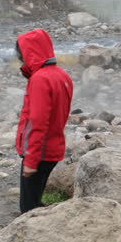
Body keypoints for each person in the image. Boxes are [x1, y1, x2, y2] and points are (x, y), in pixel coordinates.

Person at [14, 28, 73, 214]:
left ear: (29, 52)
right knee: (35, 200)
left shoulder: (39, 79)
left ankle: (32, 239)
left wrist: (31, 160)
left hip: (39, 153)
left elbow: (37, 122)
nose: (20, 58)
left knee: (28, 208)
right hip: (53, 149)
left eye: (21, 53)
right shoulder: (62, 75)